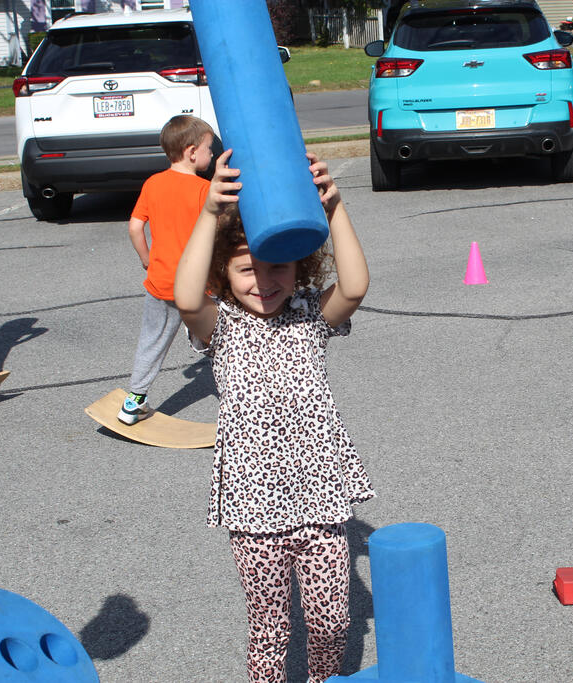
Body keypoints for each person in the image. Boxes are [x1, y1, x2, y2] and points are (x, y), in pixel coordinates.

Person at [173, 150, 374, 683]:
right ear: (224, 272)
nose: (263, 281)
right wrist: (210, 212)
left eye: (277, 267)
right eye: (246, 269)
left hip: (320, 495)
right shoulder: (221, 325)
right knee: (269, 630)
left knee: (332, 623)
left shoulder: (309, 315)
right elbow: (185, 298)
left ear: (298, 266)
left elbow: (354, 287)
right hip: (252, 505)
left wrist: (334, 209)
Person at [117, 115, 215, 425]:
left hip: (161, 282)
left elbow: (135, 228)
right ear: (192, 152)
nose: (211, 154)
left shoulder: (153, 183)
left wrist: (147, 259)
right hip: (198, 286)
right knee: (220, 339)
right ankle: (239, 398)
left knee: (152, 341)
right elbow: (215, 236)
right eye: (208, 148)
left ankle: (133, 401)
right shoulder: (204, 190)